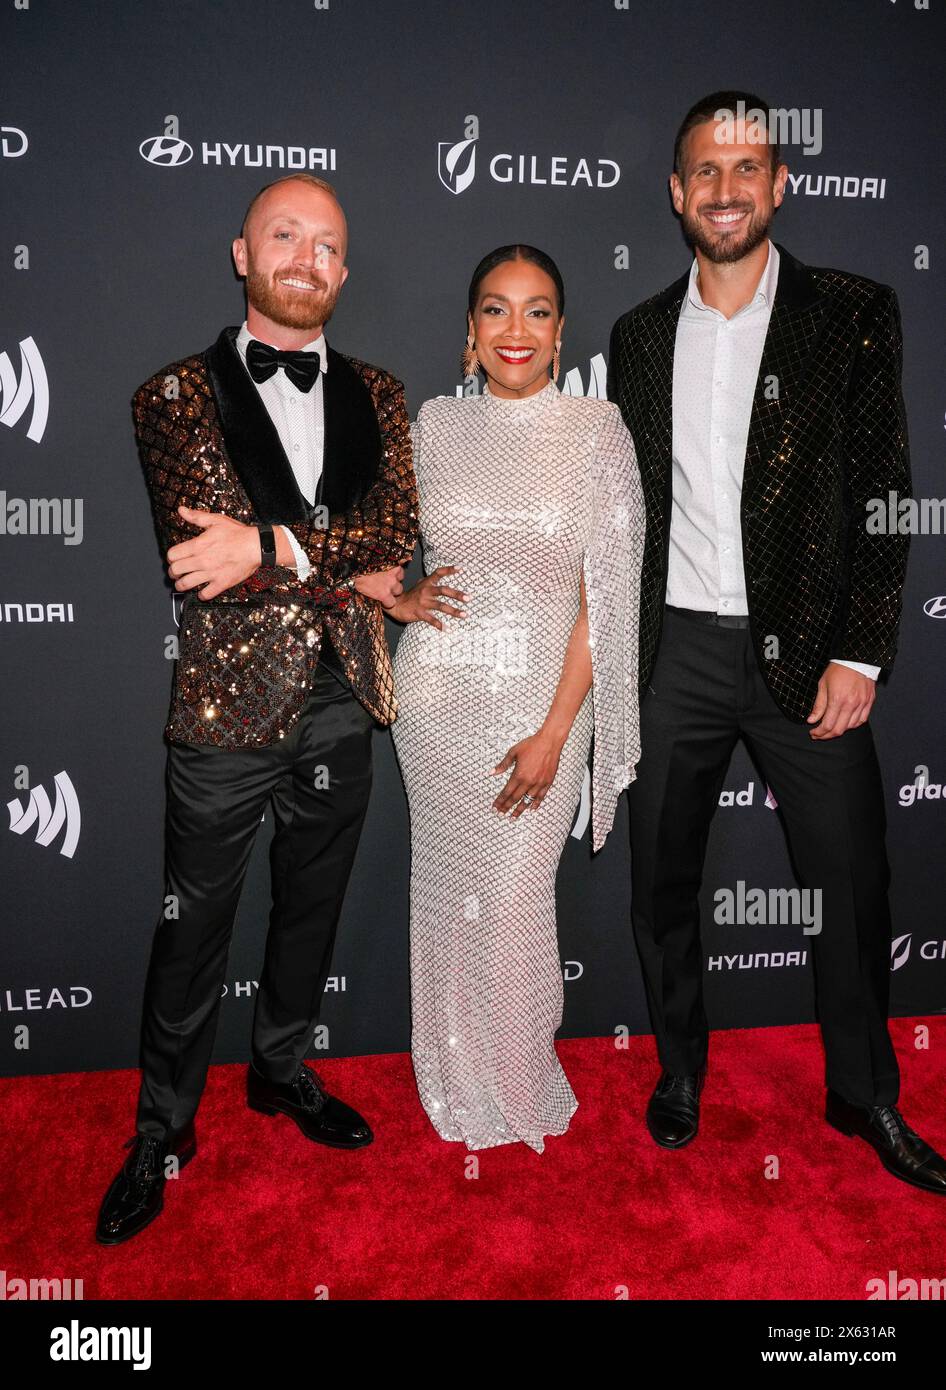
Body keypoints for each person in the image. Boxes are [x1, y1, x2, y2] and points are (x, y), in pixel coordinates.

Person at [608, 91, 945, 1193]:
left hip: (808, 652)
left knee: (849, 884)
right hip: (677, 657)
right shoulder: (638, 334)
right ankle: (680, 1070)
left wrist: (861, 650)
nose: (725, 188)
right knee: (659, 881)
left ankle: (863, 1095)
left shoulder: (850, 310)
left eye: (746, 167)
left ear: (779, 184)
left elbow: (887, 489)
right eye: (704, 168)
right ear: (675, 191)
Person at [96, 174, 419, 1244]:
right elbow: (204, 561)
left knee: (307, 914)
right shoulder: (171, 397)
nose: (305, 257)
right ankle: (161, 1129)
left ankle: (280, 1070)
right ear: (243, 254)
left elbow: (392, 541)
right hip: (226, 717)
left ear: (343, 268)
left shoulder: (380, 392)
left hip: (342, 703)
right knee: (192, 930)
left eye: (327, 243)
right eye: (285, 235)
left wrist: (272, 543)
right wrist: (332, 560)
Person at [389, 246, 644, 1152]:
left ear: (562, 331)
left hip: (545, 702)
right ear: (469, 330)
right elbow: (364, 537)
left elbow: (602, 602)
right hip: (436, 698)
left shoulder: (595, 429)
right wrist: (395, 594)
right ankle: (455, 1067)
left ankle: (516, 1071)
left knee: (515, 896)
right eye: (495, 310)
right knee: (449, 892)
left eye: (538, 312)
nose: (515, 331)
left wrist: (555, 731)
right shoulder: (430, 426)